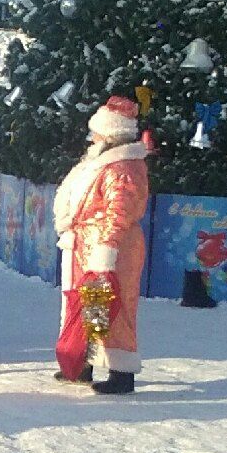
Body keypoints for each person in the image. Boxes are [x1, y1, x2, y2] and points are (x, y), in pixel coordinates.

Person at [52, 95, 151, 394]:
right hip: (88, 246)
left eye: (96, 130)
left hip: (111, 249)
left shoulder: (122, 168)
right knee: (88, 306)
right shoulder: (101, 162)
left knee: (115, 308)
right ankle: (84, 361)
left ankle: (122, 372)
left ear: (109, 133)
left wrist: (106, 251)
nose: (91, 136)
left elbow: (118, 212)